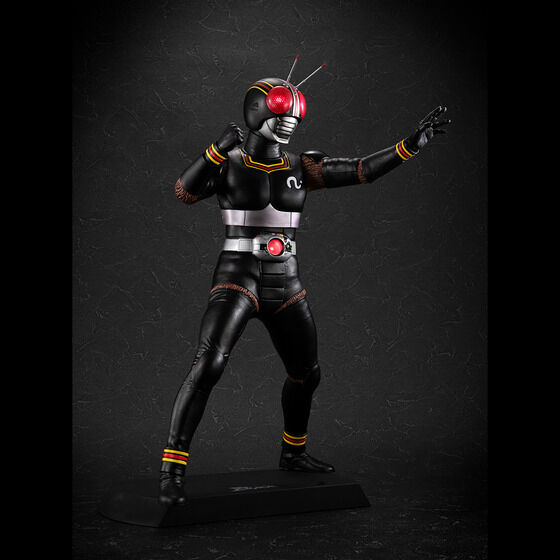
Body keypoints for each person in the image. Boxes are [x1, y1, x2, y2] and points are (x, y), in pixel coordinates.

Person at [159, 60, 451, 505]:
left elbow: (361, 170)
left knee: (306, 374)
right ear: (256, 111)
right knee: (209, 363)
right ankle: (172, 470)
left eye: (295, 115)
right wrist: (214, 152)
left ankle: (293, 453)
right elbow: (184, 191)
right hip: (238, 278)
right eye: (281, 112)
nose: (289, 122)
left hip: (286, 283)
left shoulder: (302, 166)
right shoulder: (229, 163)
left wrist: (409, 146)